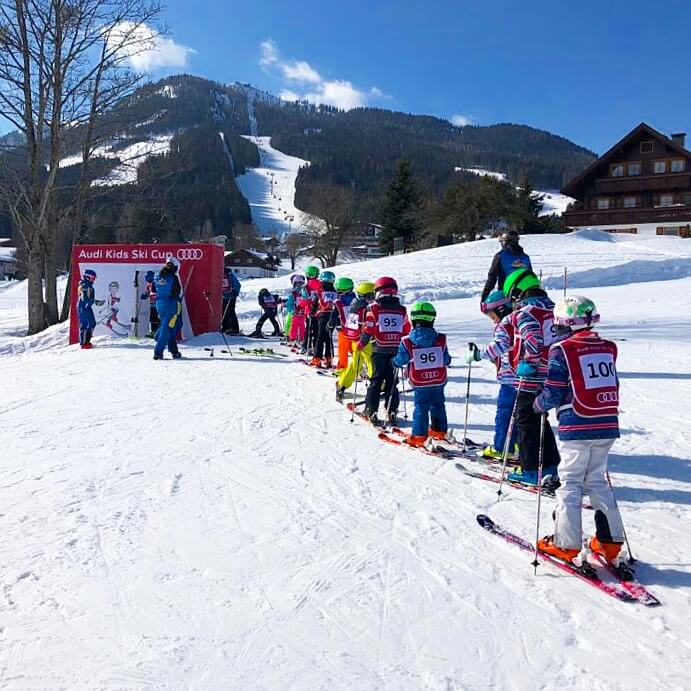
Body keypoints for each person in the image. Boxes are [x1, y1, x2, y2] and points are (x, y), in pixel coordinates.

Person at [534, 295, 626, 566]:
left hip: (577, 423)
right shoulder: (607, 347)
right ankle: (610, 542)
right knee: (597, 481)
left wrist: (538, 405)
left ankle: (566, 544)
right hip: (606, 422)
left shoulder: (562, 350)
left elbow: (553, 391)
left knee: (571, 482)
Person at [502, 268, 560, 485]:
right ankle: (550, 466)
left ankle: (529, 470)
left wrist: (529, 363)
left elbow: (533, 340)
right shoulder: (555, 309)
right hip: (555, 372)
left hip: (532, 377)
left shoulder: (526, 313)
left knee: (525, 420)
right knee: (540, 419)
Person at [467, 289, 518, 460]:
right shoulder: (519, 321)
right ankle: (516, 444)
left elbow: (499, 346)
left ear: (502, 309)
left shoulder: (505, 324)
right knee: (518, 415)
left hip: (511, 379)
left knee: (504, 413)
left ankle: (502, 447)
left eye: (491, 314)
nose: (491, 318)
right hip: (522, 377)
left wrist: (479, 354)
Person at [393, 301, 451, 447]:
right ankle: (439, 430)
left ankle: (419, 435)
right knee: (438, 404)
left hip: (420, 381)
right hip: (438, 379)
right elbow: (446, 359)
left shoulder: (407, 342)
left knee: (421, 406)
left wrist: (394, 362)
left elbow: (402, 359)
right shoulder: (441, 338)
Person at [357, 276, 410, 425]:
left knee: (376, 381)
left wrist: (362, 343)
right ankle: (392, 410)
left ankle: (371, 410)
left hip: (379, 350)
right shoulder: (401, 310)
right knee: (392, 382)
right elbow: (407, 329)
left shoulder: (373, 308)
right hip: (396, 349)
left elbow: (368, 328)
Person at [335, 281, 375, 401]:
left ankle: (342, 384)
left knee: (355, 365)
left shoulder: (355, 305)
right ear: (365, 297)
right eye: (371, 296)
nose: (373, 299)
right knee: (371, 364)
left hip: (356, 341)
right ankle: (378, 386)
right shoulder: (365, 309)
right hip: (365, 341)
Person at [480, 230, 532, 306]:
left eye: (502, 242)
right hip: (526, 298)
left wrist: (484, 297)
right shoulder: (525, 257)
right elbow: (531, 276)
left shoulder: (500, 256)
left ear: (505, 242)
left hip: (506, 298)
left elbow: (492, 278)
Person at [153, 260, 182, 360]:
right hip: (170, 304)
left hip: (159, 304)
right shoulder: (173, 278)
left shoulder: (156, 276)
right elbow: (176, 292)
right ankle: (158, 352)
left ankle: (174, 351)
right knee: (167, 328)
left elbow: (154, 289)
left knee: (170, 327)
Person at [310, 270, 337, 367]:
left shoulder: (320, 290)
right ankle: (329, 358)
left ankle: (317, 358)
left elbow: (315, 303)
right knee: (328, 336)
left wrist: (312, 312)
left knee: (320, 337)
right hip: (333, 315)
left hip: (323, 315)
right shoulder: (335, 291)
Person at [330, 276, 356, 373]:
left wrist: (330, 325)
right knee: (353, 348)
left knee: (343, 348)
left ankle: (342, 367)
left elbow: (334, 314)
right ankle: (358, 367)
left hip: (342, 328)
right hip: (354, 328)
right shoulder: (356, 299)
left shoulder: (339, 301)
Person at [77, 268, 100, 349]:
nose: (93, 280)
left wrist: (94, 301)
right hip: (83, 307)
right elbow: (84, 297)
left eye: (94, 278)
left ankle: (87, 341)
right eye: (92, 278)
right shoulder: (85, 285)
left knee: (92, 323)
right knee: (85, 324)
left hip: (87, 306)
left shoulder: (89, 286)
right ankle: (83, 343)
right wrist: (88, 303)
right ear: (87, 277)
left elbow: (90, 297)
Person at [302, 265, 321, 355]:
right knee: (317, 330)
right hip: (319, 311)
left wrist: (301, 305)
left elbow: (304, 300)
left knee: (309, 329)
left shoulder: (306, 287)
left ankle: (306, 347)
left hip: (308, 310)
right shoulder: (321, 284)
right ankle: (316, 348)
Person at [285, 274, 306, 345]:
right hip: (299, 313)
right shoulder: (302, 293)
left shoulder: (297, 293)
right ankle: (297, 338)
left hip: (297, 313)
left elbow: (289, 303)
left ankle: (294, 338)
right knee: (298, 326)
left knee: (296, 326)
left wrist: (288, 307)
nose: (299, 286)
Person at [221, 266, 241, 334]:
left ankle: (234, 328)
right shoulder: (217, 274)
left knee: (230, 311)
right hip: (221, 297)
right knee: (223, 312)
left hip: (230, 296)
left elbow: (237, 284)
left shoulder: (229, 274)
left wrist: (235, 292)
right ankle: (225, 327)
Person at [141, 270, 159, 338]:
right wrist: (144, 295)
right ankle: (153, 331)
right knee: (152, 317)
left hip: (158, 303)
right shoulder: (149, 284)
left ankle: (158, 331)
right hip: (152, 304)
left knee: (158, 317)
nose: (147, 280)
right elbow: (147, 292)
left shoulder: (157, 283)